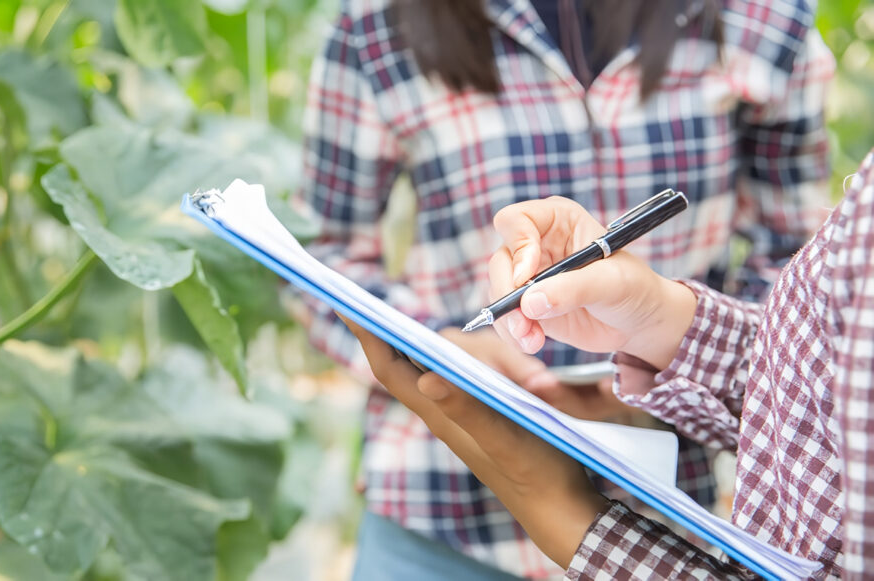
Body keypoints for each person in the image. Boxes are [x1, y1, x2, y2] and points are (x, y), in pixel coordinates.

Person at [295, 0, 833, 577]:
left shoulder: (765, 18)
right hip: (445, 508)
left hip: (667, 519)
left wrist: (666, 359)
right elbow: (323, 254)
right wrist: (438, 347)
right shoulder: (378, 22)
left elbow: (799, 270)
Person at [343, 148, 874, 579]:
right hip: (438, 518)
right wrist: (660, 324)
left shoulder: (759, 19)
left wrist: (566, 513)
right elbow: (820, 364)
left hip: (664, 512)